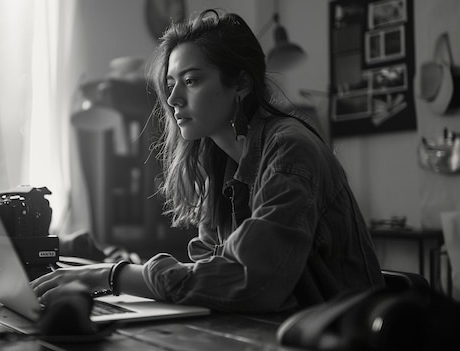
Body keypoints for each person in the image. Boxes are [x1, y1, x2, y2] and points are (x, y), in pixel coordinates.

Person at [32, 9, 384, 314]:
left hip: (345, 335)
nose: (172, 99)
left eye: (191, 80)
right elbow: (211, 273)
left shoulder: (289, 150)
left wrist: (112, 275)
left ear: (241, 83)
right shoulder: (220, 160)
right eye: (170, 84)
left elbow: (250, 281)